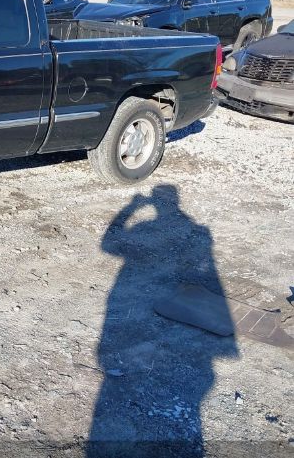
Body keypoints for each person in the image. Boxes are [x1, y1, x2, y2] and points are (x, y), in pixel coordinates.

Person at [87, 185, 238, 458]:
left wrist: (131, 208)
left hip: (140, 304)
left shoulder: (166, 228)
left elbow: (108, 244)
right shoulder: (196, 231)